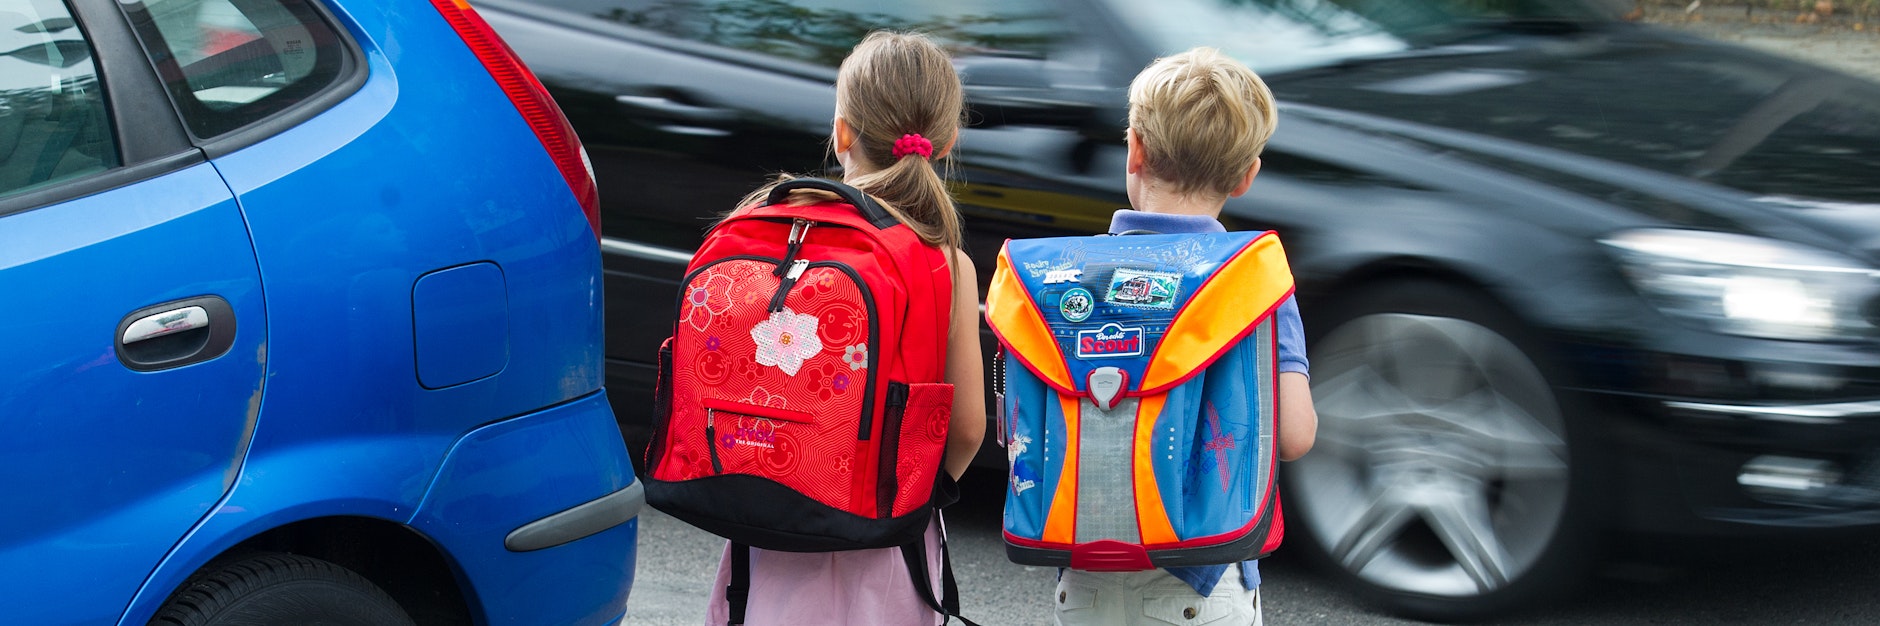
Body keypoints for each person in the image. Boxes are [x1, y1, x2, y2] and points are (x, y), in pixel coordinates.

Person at [700, 31, 986, 626]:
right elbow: (964, 431)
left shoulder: (770, 232)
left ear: (841, 131)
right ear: (948, 141)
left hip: (767, 532)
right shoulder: (946, 263)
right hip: (883, 541)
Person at [1051, 47, 1318, 626]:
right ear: (1248, 177)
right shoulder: (1255, 280)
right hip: (1205, 574)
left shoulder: (1064, 280)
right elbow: (1294, 435)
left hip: (1085, 572)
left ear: (1135, 150)